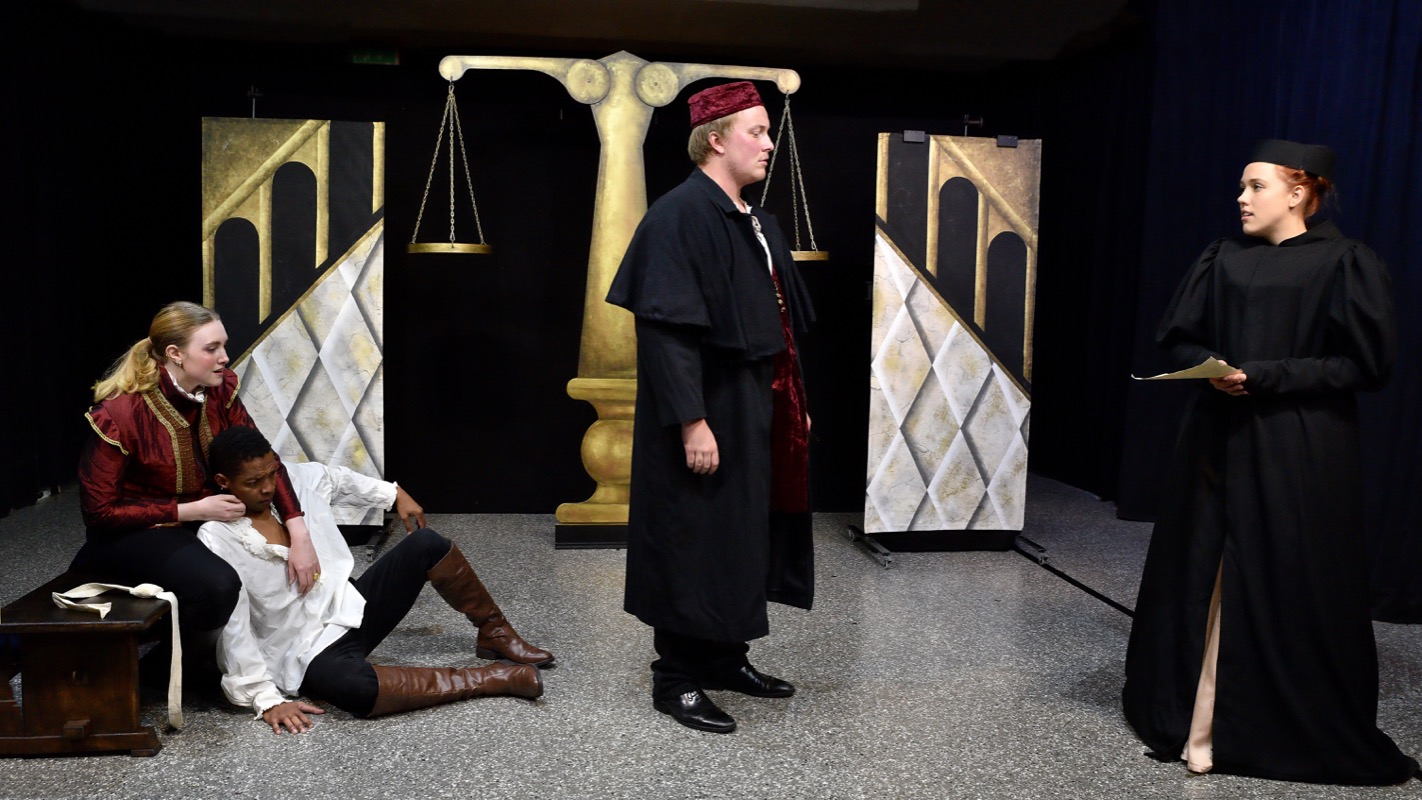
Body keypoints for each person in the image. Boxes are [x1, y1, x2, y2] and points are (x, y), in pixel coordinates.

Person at [1122, 140, 1419, 784]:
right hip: (1216, 436)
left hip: (1299, 445)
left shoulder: (1345, 262)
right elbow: (1179, 336)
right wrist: (1212, 369)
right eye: (1242, 186)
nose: (1242, 198)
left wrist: (1266, 375)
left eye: (1256, 186)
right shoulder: (1222, 257)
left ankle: (1249, 725)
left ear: (1299, 192)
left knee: (1280, 569)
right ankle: (1191, 716)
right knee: (1203, 561)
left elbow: (1364, 364)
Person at [606, 80, 816, 734]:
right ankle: (676, 678)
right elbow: (665, 331)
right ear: (716, 139)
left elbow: (781, 325)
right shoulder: (679, 214)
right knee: (692, 534)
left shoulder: (753, 219)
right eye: (757, 131)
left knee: (740, 532)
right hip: (706, 405)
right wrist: (691, 420)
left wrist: (795, 404)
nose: (769, 143)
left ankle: (725, 657)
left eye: (767, 131)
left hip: (755, 404)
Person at [198, 425, 552, 732]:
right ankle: (493, 678)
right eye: (253, 482)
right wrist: (266, 699)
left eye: (271, 475)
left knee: (426, 543)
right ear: (223, 482)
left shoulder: (292, 483)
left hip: (346, 607)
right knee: (357, 689)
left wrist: (394, 494)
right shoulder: (218, 536)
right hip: (305, 652)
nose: (267, 488)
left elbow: (336, 479)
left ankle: (494, 633)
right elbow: (234, 626)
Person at [73, 301, 319, 656]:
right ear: (175, 354)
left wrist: (298, 530)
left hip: (206, 520)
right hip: (134, 533)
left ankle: (290, 650)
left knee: (295, 570)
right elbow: (99, 513)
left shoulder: (218, 390)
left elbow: (265, 460)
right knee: (219, 587)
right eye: (211, 349)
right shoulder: (122, 413)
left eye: (223, 346)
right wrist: (193, 510)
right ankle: (162, 667)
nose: (224, 358)